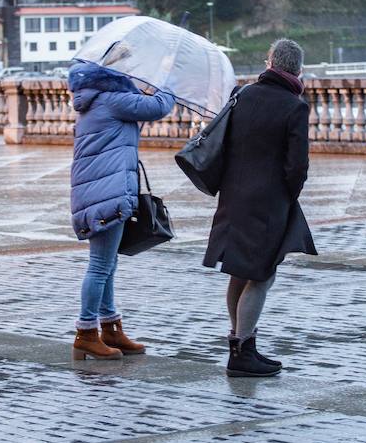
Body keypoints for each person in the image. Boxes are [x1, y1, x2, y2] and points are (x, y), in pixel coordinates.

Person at [203, 38, 317, 377]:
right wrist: (287, 194)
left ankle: (241, 345)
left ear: (269, 63)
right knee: (262, 274)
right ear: (298, 70)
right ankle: (241, 352)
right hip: (267, 202)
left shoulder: (243, 95)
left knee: (240, 271)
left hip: (234, 196)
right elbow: (297, 167)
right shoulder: (294, 106)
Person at [68, 60, 176, 360]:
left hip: (99, 191)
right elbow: (157, 107)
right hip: (106, 193)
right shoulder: (113, 100)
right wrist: (167, 83)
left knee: (107, 264)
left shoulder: (94, 102)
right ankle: (86, 333)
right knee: (100, 265)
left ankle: (110, 328)